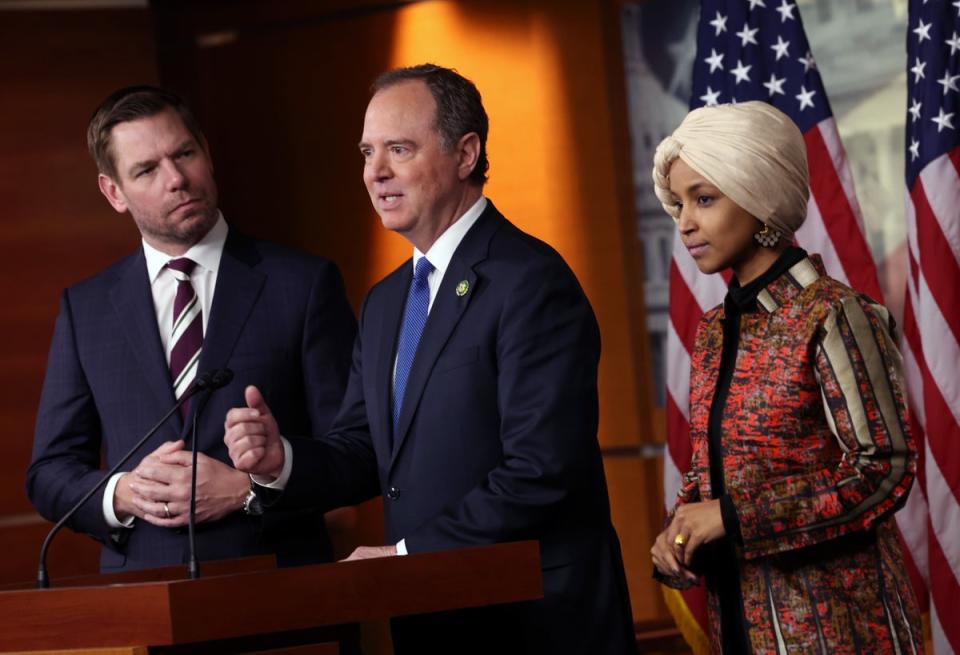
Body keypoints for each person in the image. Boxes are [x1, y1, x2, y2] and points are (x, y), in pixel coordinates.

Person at [224, 64, 637, 654]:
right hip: (433, 621)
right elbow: (364, 448)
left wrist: (405, 558)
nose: (376, 173)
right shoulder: (387, 300)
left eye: (399, 149)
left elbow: (540, 469)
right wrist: (280, 461)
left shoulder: (530, 281)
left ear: (466, 153)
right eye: (367, 152)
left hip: (535, 623)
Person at [27, 86, 357, 572]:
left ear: (206, 151)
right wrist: (124, 493)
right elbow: (49, 473)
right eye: (147, 170)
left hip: (279, 584)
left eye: (184, 153)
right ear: (113, 192)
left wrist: (257, 483)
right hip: (140, 597)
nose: (177, 179)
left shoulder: (304, 284)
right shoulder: (86, 307)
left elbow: (358, 452)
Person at [649, 101, 923, 653]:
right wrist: (679, 536)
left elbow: (883, 470)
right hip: (740, 623)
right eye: (679, 203)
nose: (685, 223)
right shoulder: (712, 332)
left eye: (704, 199)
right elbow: (711, 473)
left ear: (759, 197)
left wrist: (728, 516)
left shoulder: (835, 315)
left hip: (841, 630)